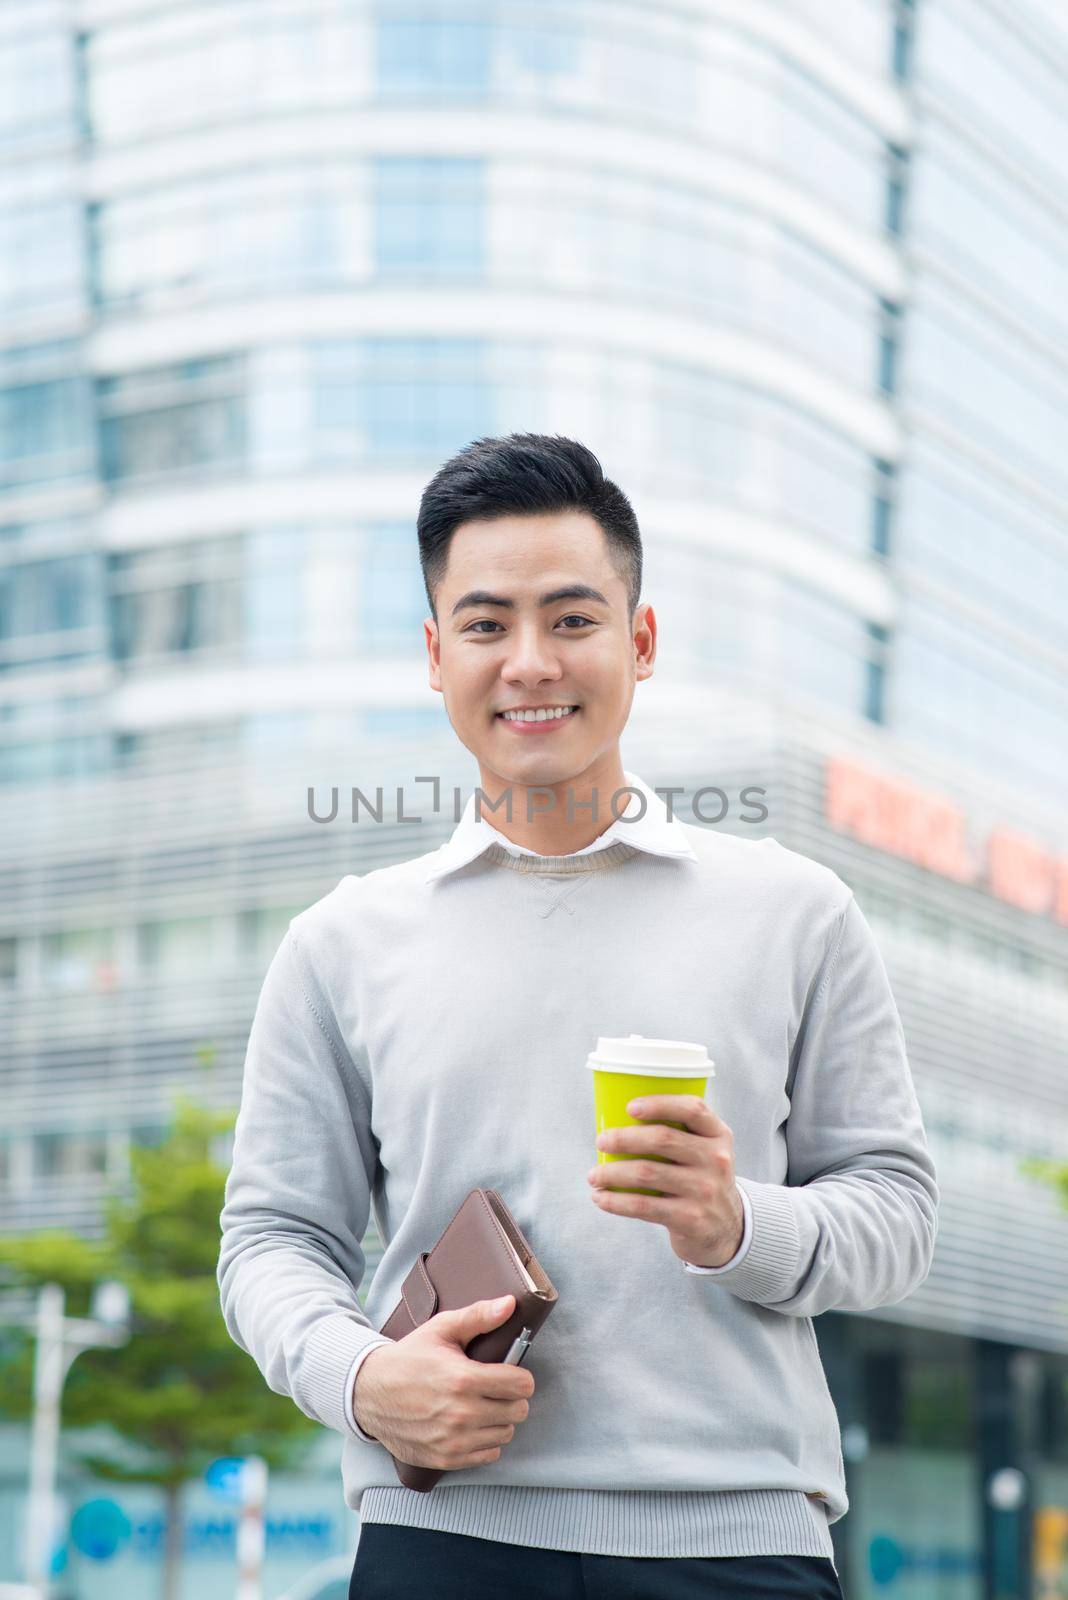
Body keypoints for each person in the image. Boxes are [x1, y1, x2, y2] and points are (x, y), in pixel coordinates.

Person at [217, 433, 939, 1599]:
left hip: (737, 1546)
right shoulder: (340, 943)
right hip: (443, 1538)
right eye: (487, 624)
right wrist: (359, 1376)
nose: (530, 663)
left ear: (639, 642)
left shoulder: (793, 913)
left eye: (573, 619)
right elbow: (272, 1240)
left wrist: (736, 1224)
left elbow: (898, 1210)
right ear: (435, 653)